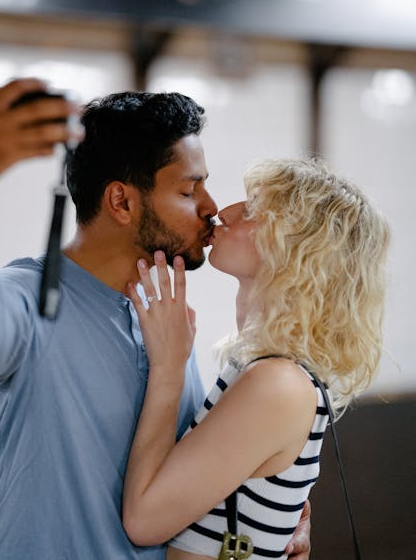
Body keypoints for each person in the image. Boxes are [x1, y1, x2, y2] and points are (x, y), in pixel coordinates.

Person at [0, 78, 311, 560]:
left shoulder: (167, 322)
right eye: (190, 191)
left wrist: (266, 532)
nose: (211, 209)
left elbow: (184, 491)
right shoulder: (27, 300)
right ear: (122, 202)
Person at [123, 158, 389, 560]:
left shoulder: (277, 382)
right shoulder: (266, 370)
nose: (222, 213)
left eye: (252, 210)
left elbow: (143, 521)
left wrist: (168, 367)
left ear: (296, 249)